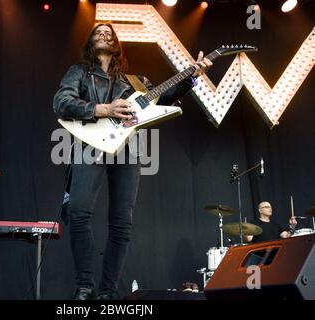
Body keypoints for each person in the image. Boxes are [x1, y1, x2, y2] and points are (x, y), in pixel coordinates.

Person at [53, 23, 212, 300]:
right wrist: (103, 109)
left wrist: (191, 77)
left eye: (108, 33)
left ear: (116, 44)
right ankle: (85, 287)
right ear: (90, 42)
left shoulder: (135, 81)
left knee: (121, 223)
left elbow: (165, 97)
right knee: (78, 211)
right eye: (97, 32)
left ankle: (107, 292)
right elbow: (61, 102)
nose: (103, 35)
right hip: (90, 143)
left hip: (128, 149)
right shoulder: (79, 72)